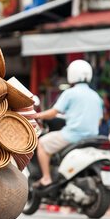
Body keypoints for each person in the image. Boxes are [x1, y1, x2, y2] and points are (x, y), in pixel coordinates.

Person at [30, 60, 103, 190]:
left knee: (42, 143)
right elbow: (99, 120)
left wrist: (36, 116)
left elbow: (53, 113)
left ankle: (46, 178)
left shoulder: (70, 93)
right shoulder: (96, 96)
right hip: (92, 137)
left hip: (73, 135)